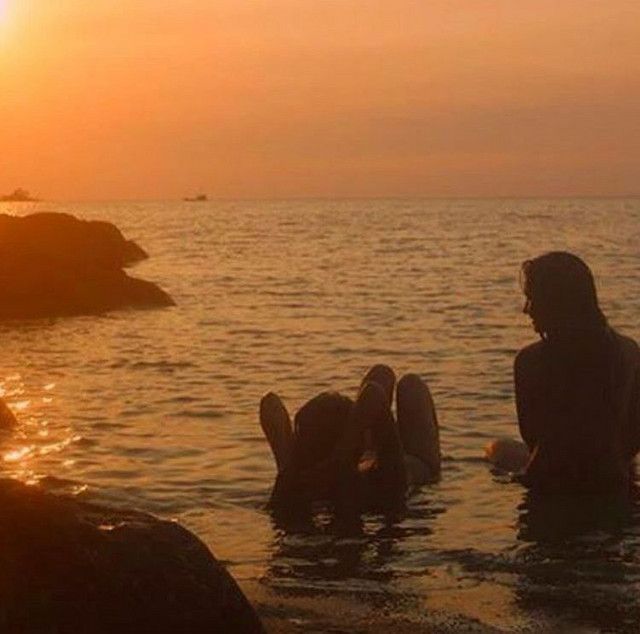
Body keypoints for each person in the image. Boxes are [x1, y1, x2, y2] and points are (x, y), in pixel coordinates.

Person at [488, 252, 640, 494]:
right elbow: (633, 438)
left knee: (498, 448)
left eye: (532, 299)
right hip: (614, 479)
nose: (526, 310)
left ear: (554, 303)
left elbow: (533, 438)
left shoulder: (530, 361)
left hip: (548, 480)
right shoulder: (629, 351)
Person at [259, 365, 440, 515]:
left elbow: (269, 403)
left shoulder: (297, 485)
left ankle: (293, 458)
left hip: (345, 460)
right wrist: (342, 454)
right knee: (410, 385)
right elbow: (373, 393)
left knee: (382, 373)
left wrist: (292, 465)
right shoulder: (385, 479)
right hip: (415, 462)